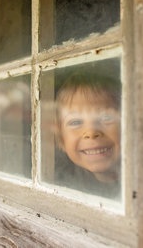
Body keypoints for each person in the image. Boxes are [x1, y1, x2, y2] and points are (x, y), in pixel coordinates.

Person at [54, 67, 121, 198]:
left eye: (106, 118)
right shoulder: (62, 185)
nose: (91, 132)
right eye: (76, 122)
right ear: (61, 140)